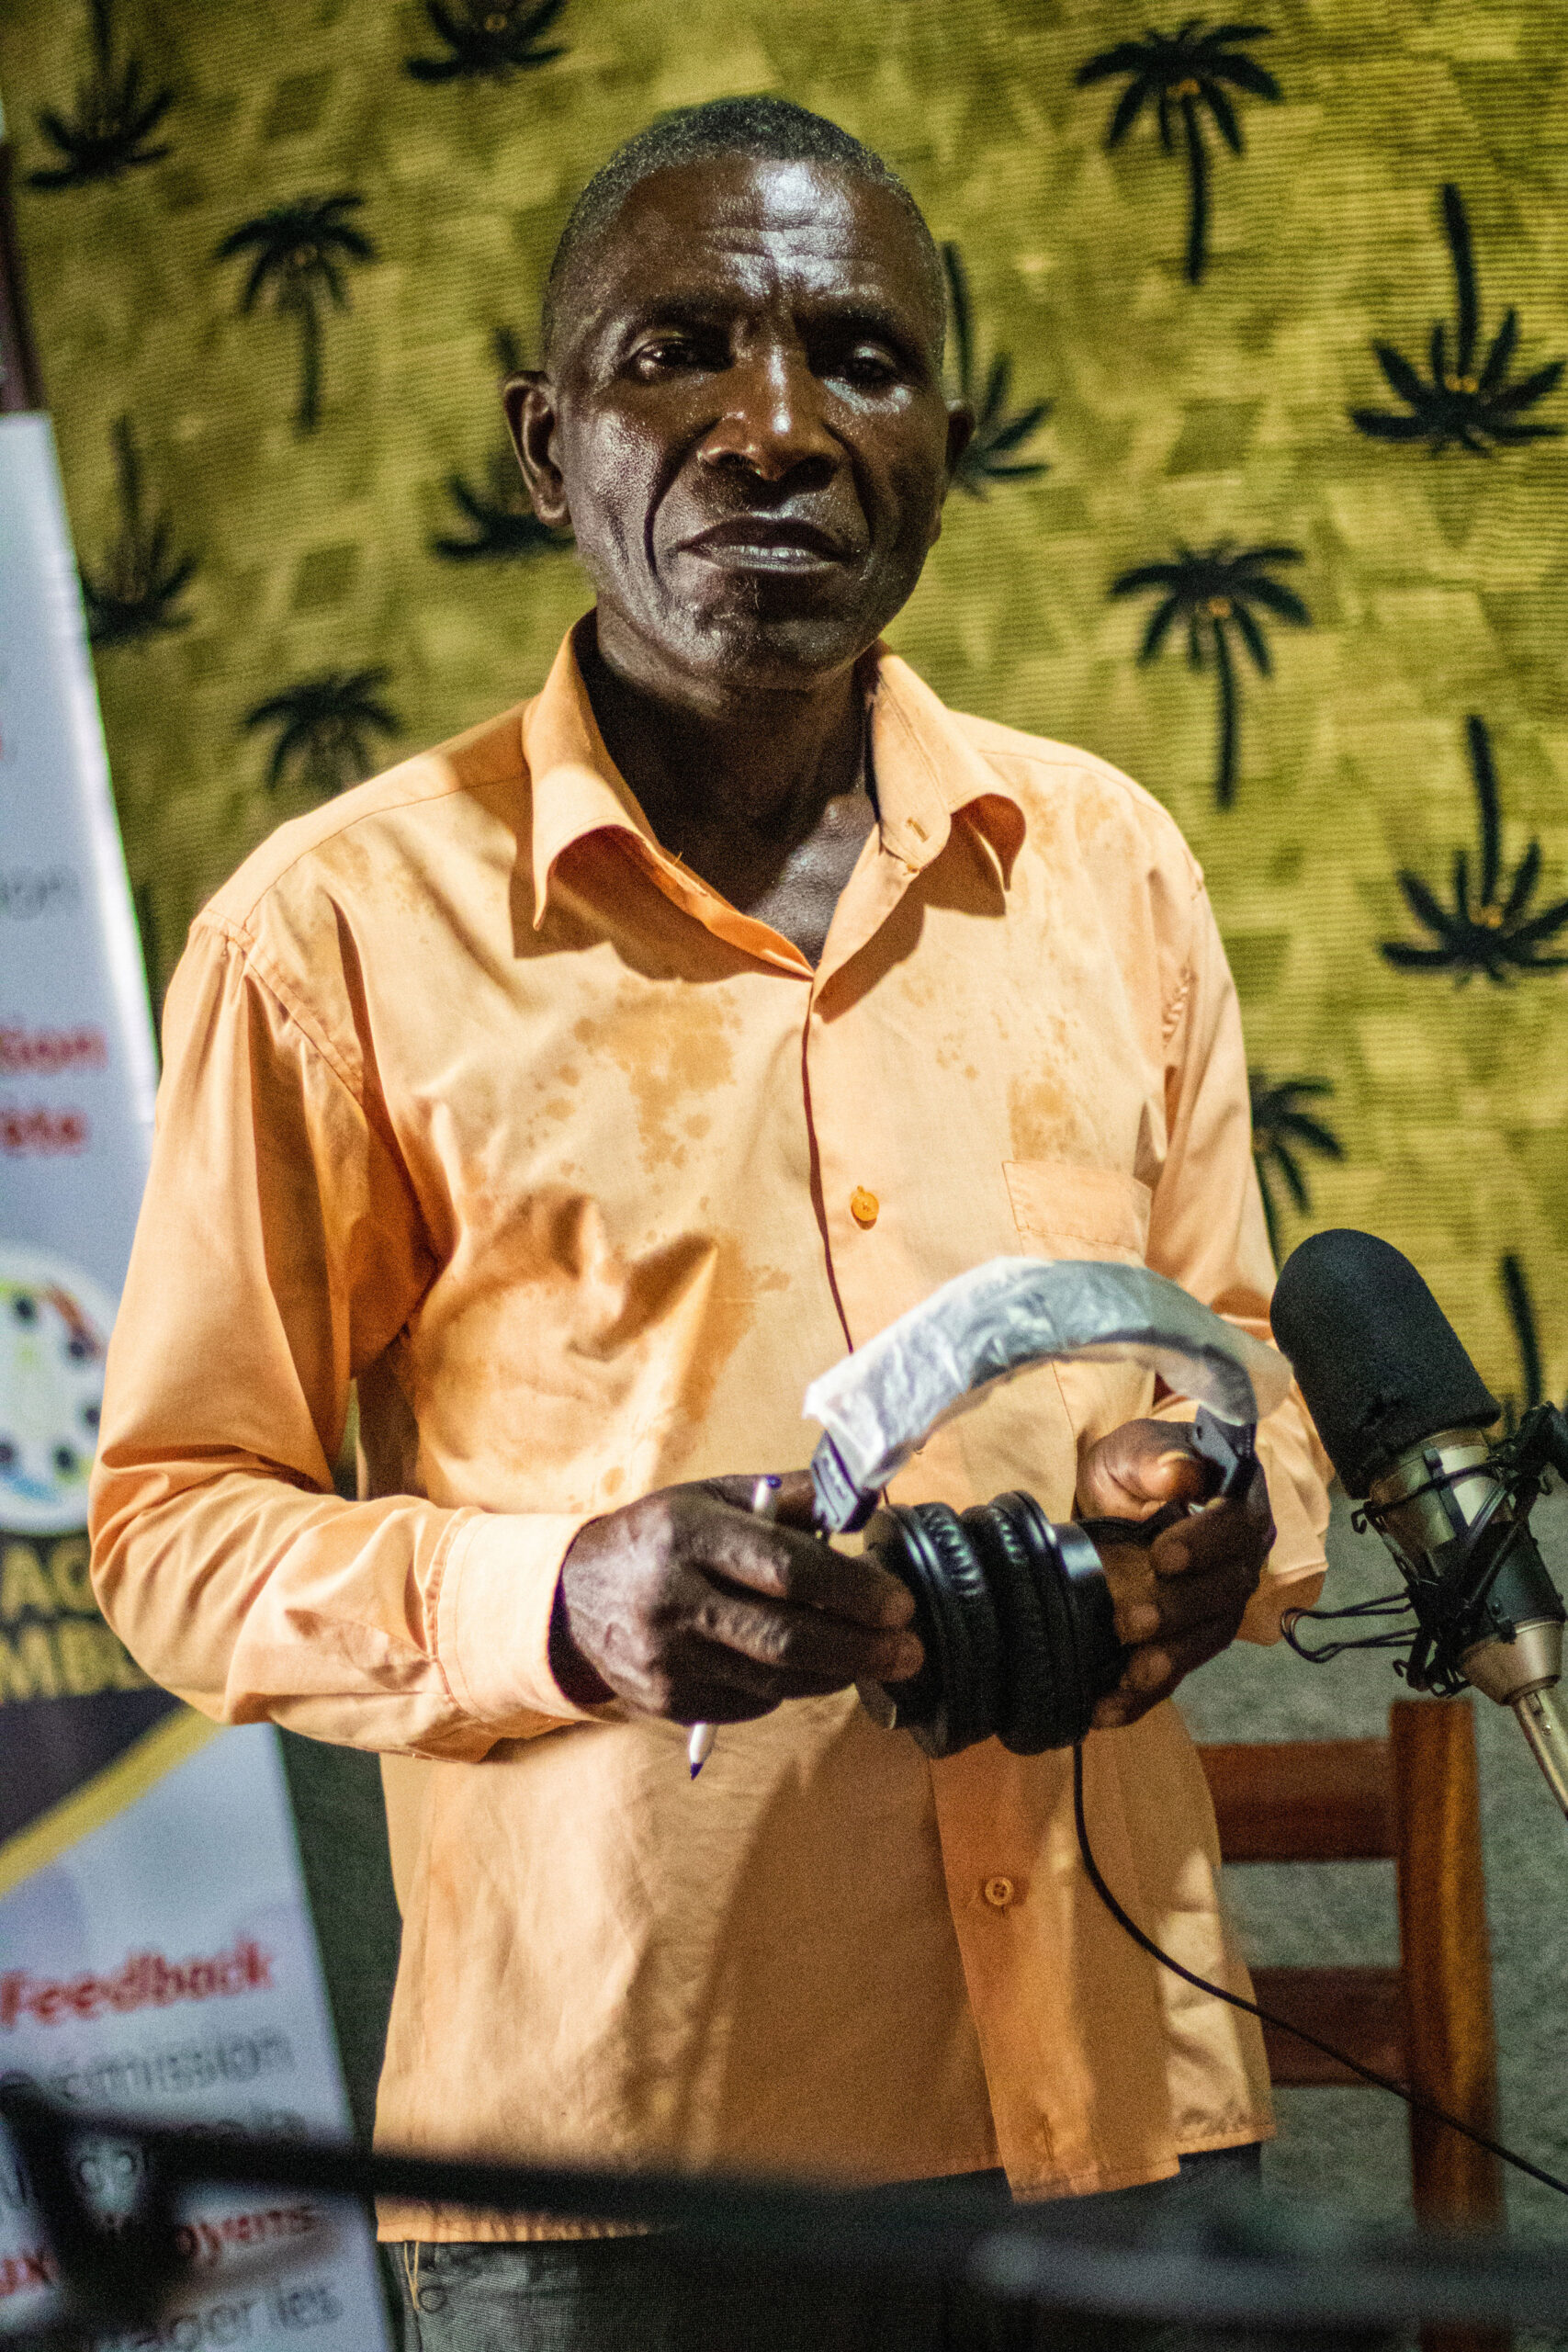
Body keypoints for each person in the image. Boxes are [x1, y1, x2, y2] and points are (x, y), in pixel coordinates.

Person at [90, 96, 1330, 2352]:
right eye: (679, 352)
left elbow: (1238, 1357)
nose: (773, 429)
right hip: (616, 2184)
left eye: (856, 360)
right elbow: (170, 1522)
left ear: (940, 442)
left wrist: (1216, 1499)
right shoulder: (334, 933)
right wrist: (554, 1594)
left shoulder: (1106, 870)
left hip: (1130, 2119)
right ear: (545, 447)